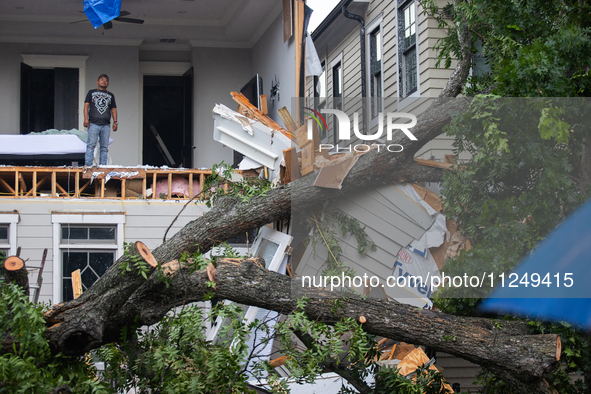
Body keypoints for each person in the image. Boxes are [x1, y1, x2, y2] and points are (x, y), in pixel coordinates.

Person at [83, 74, 118, 166]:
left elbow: (113, 109)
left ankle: (103, 167)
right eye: (101, 79)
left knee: (104, 148)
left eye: (106, 80)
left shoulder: (111, 95)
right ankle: (88, 166)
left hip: (106, 125)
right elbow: (86, 105)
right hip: (93, 123)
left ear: (108, 83)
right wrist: (86, 119)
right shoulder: (91, 92)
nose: (104, 81)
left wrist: (115, 122)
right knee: (91, 145)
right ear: (97, 82)